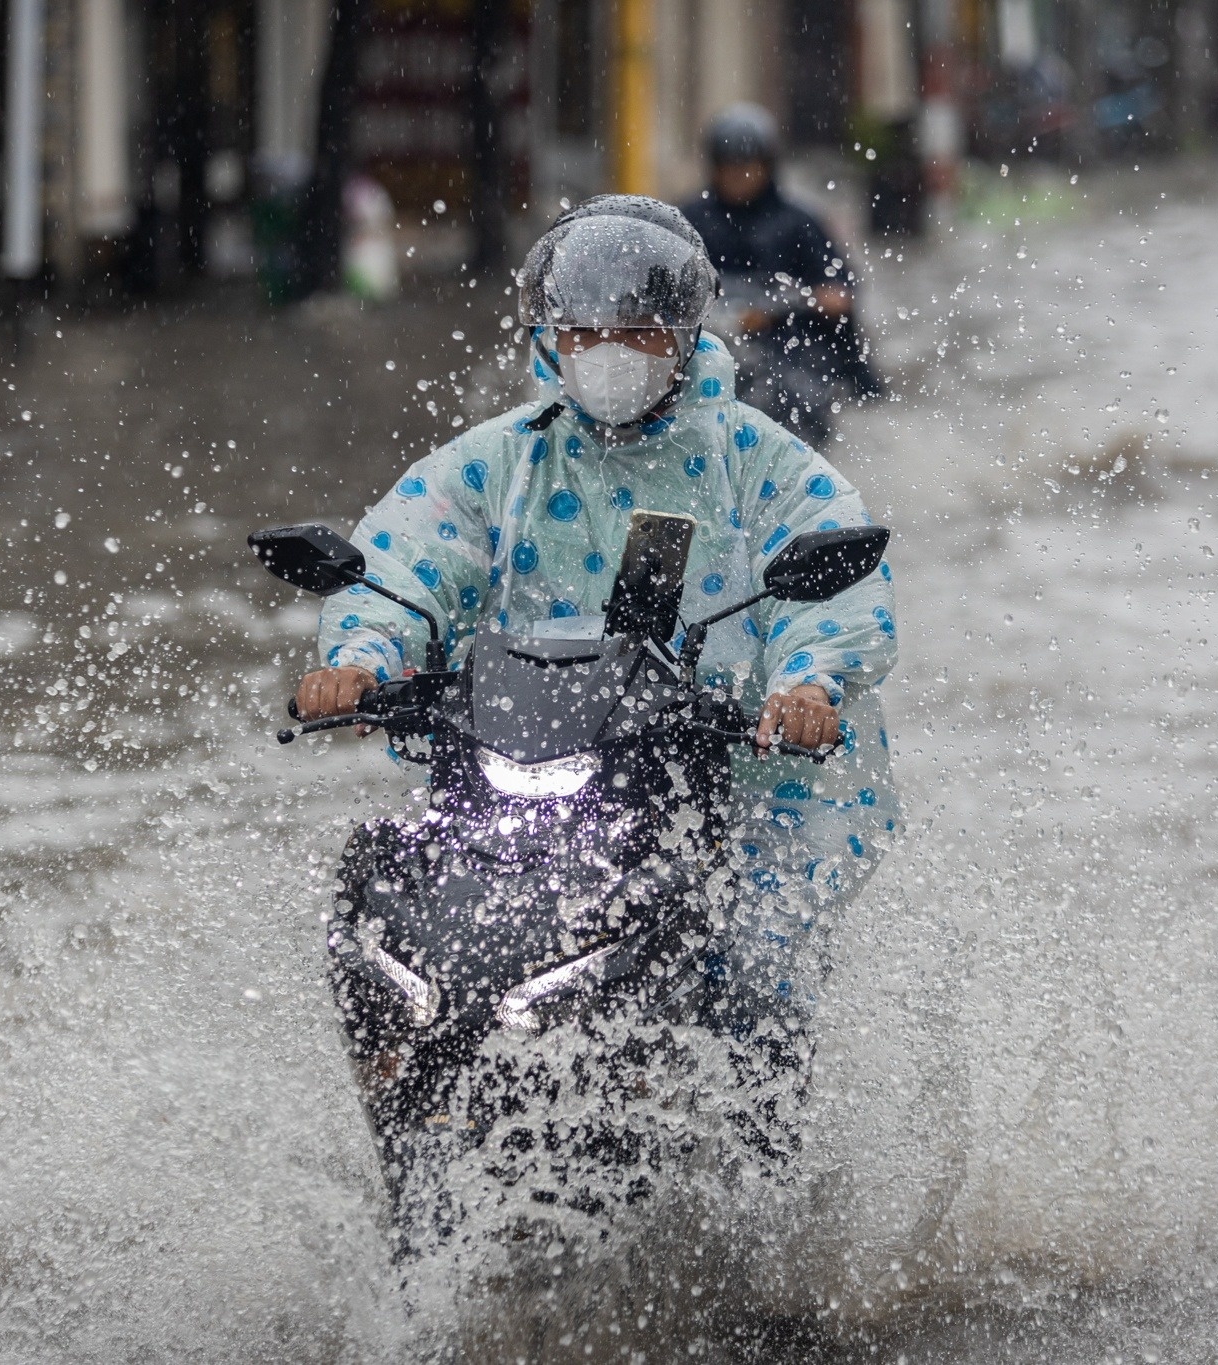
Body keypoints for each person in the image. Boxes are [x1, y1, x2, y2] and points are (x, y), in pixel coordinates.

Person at [294, 195, 900, 1065]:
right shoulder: (501, 460)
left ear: (686, 333)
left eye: (637, 329)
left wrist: (806, 683)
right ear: (553, 336)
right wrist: (360, 658)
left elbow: (829, 582)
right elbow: (411, 555)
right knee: (393, 897)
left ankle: (758, 1163)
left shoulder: (755, 460)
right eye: (584, 331)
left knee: (757, 965)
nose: (608, 349)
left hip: (725, 771)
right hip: (525, 758)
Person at [678, 103, 881, 446]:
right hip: (709, 346)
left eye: (748, 168)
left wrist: (812, 300)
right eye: (730, 168)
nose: (739, 177)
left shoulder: (799, 222)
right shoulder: (689, 221)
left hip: (787, 347)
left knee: (800, 398)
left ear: (767, 166)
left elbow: (841, 289)